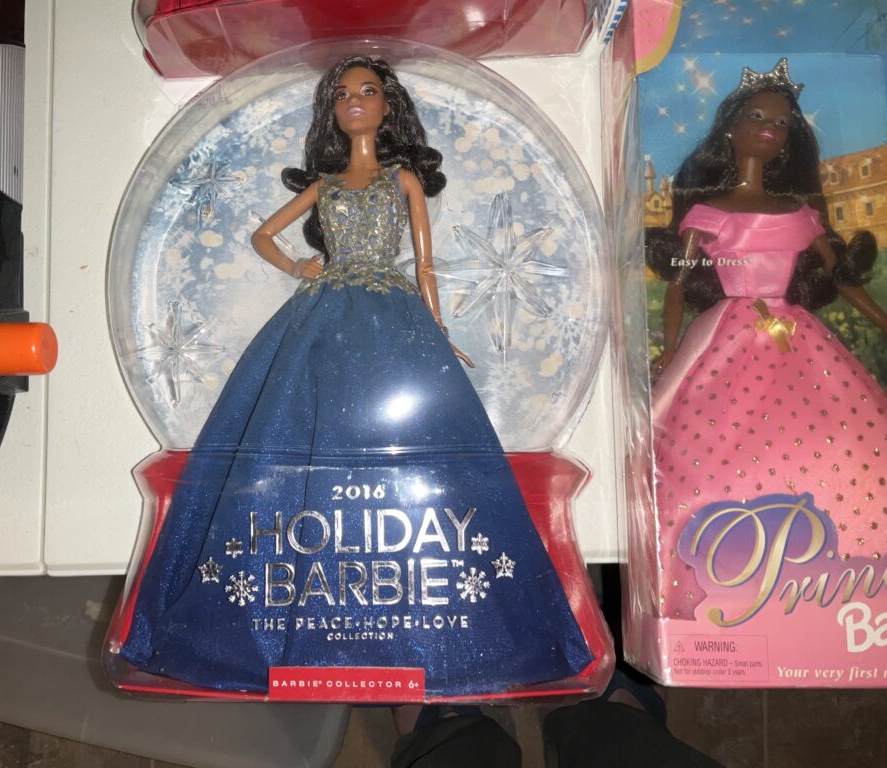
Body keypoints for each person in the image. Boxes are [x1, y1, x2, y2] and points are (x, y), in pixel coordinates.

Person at [119, 55, 593, 695]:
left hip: (395, 317)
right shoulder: (327, 185)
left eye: (367, 91)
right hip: (322, 319)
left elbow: (425, 264)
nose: (354, 102)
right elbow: (264, 236)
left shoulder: (403, 179)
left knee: (424, 443)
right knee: (294, 433)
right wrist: (298, 268)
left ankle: (464, 632)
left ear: (388, 105)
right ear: (332, 111)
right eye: (342, 95)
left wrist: (438, 329)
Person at [646, 59, 887, 620]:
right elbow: (678, 286)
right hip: (725, 338)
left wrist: (885, 323)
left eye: (781, 123)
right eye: (757, 117)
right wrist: (671, 347)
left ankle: (850, 560)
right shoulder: (706, 214)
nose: (769, 129)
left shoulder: (801, 214)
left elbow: (842, 280)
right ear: (729, 129)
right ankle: (719, 567)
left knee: (844, 439)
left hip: (797, 338)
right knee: (709, 446)